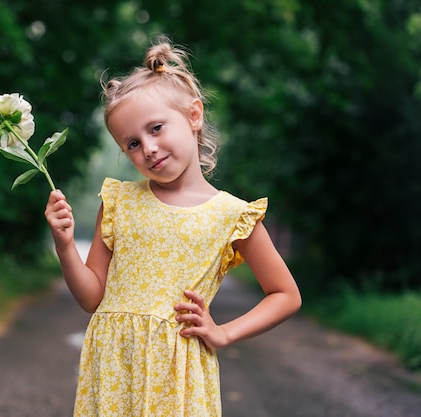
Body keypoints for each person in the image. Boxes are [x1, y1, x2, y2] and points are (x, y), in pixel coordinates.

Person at [44, 37, 302, 417]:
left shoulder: (231, 215)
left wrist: (224, 332)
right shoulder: (119, 203)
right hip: (115, 366)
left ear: (194, 116)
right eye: (132, 143)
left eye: (156, 128)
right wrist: (65, 246)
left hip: (178, 375)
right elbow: (91, 299)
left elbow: (285, 294)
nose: (147, 147)